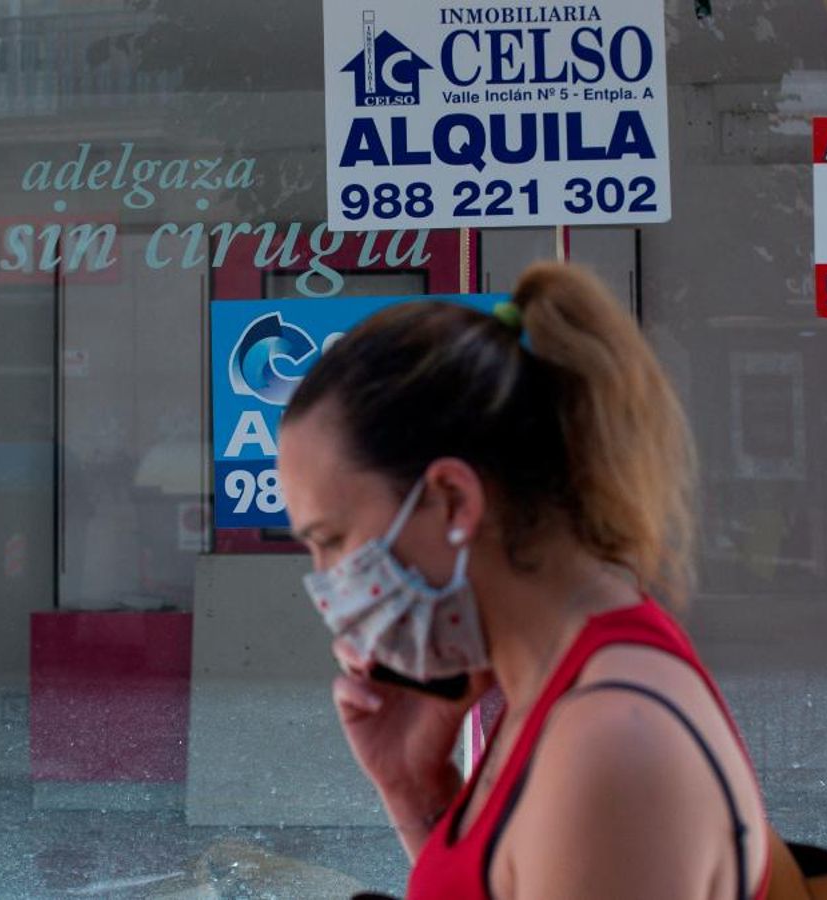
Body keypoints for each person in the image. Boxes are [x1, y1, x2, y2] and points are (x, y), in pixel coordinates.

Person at [277, 263, 771, 899]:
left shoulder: (607, 743)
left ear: (453, 500)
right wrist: (416, 788)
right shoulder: (558, 693)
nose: (326, 579)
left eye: (332, 539)